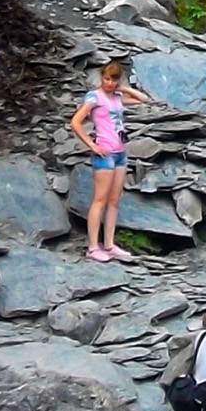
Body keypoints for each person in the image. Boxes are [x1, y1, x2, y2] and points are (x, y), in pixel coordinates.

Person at [69, 61, 139, 263]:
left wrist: (122, 88)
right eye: (106, 78)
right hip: (104, 154)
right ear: (101, 78)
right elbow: (75, 122)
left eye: (113, 79)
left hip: (120, 153)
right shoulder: (94, 97)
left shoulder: (117, 97)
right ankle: (93, 247)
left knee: (114, 201)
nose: (109, 83)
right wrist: (92, 145)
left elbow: (143, 99)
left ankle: (109, 244)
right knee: (99, 200)